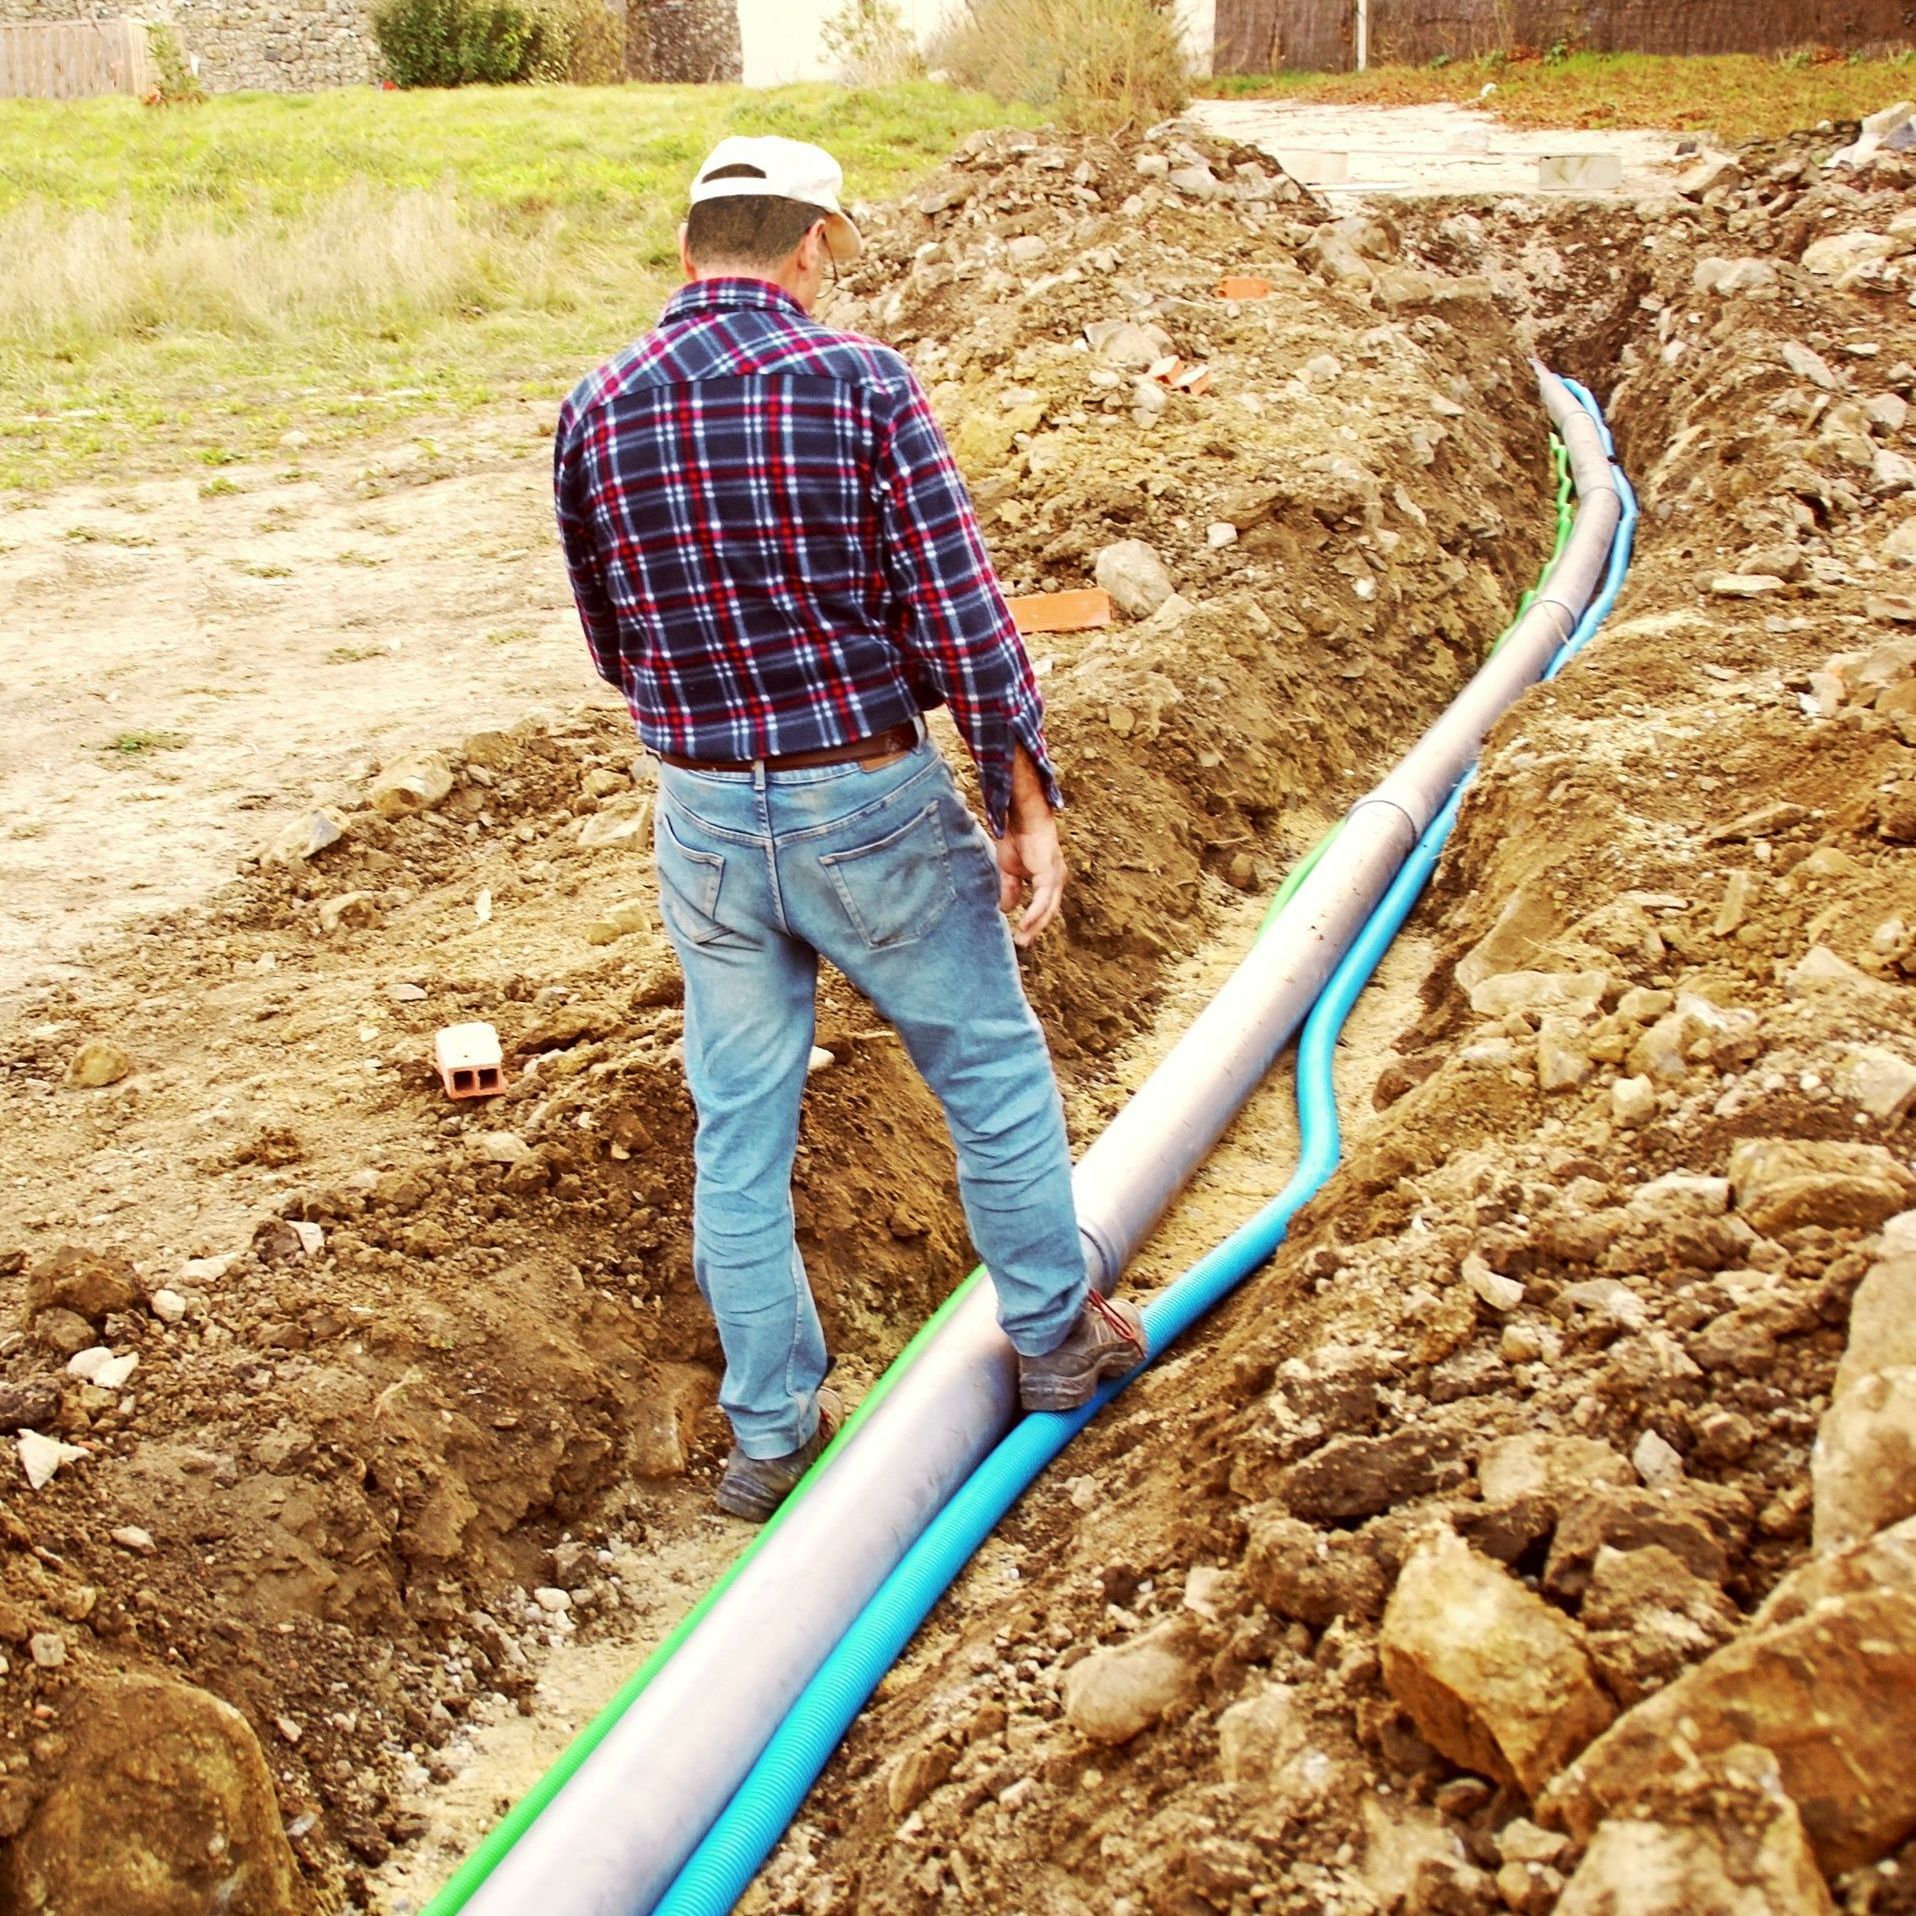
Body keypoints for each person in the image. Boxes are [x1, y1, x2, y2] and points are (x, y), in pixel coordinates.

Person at [554, 135, 1145, 1522]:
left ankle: (770, 1437)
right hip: (864, 796)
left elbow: (609, 642)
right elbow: (964, 619)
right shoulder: (855, 381)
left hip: (701, 814)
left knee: (737, 1127)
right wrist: (1020, 796)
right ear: (815, 240)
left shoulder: (598, 405)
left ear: (689, 245)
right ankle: (1058, 1341)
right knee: (990, 1069)